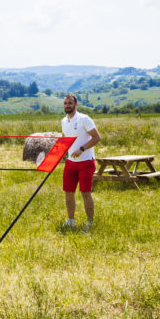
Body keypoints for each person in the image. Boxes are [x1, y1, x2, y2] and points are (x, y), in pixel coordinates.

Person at [61, 94, 101, 232]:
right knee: (68, 192)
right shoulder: (63, 121)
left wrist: (81, 149)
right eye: (65, 103)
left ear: (76, 104)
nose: (67, 105)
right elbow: (65, 139)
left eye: (70, 103)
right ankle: (70, 220)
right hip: (70, 162)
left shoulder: (84, 119)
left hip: (86, 162)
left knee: (85, 192)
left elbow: (97, 137)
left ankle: (90, 222)